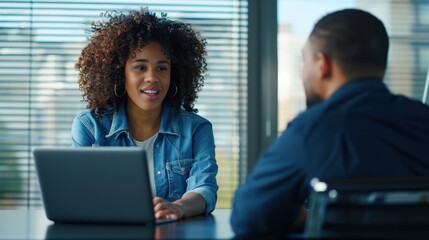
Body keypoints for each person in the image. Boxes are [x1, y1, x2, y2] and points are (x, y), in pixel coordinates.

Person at [230, 8, 429, 236]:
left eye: (304, 60)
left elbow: (247, 218)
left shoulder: (310, 130)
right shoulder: (423, 118)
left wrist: (305, 216)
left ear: (322, 64)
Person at [71, 8, 218, 220]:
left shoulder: (196, 129)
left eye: (162, 68)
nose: (152, 78)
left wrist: (179, 207)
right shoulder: (89, 125)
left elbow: (205, 188)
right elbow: (79, 194)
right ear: (120, 74)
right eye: (140, 67)